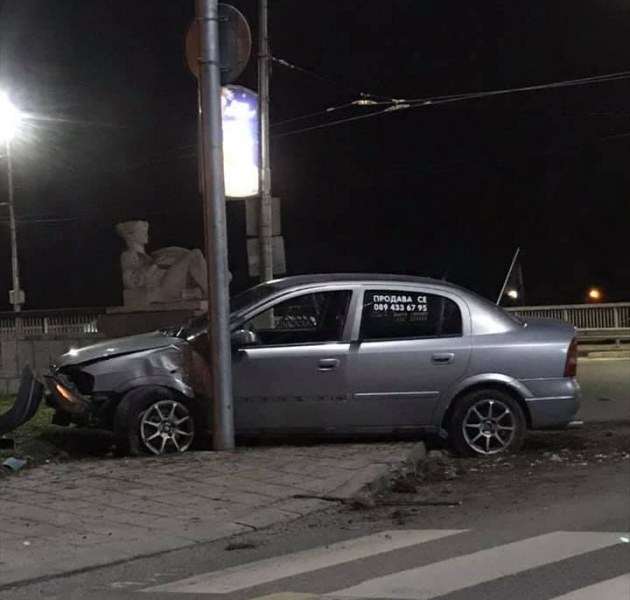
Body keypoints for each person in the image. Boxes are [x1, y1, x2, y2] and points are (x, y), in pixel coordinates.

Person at [116, 221, 212, 304]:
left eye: (145, 231)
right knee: (194, 254)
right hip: (160, 289)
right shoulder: (128, 255)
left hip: (165, 284)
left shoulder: (149, 256)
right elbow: (130, 282)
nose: (145, 233)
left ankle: (208, 288)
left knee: (187, 259)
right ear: (131, 236)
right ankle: (214, 295)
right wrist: (155, 265)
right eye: (141, 231)